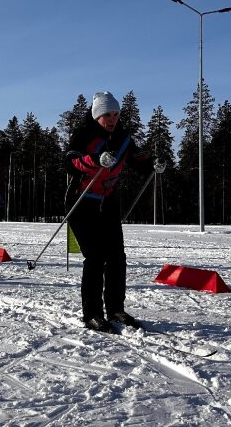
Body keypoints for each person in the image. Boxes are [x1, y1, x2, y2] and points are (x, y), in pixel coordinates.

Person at [64, 91, 163, 333]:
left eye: (116, 114)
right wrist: (96, 159)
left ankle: (116, 308)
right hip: (82, 200)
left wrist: (153, 164)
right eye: (107, 114)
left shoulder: (122, 137)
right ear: (97, 115)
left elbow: (137, 159)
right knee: (95, 256)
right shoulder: (84, 133)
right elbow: (69, 161)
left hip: (107, 202)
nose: (112, 119)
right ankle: (92, 314)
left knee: (117, 256)